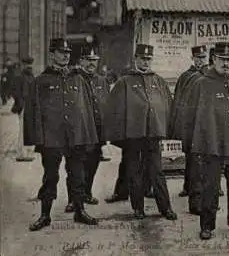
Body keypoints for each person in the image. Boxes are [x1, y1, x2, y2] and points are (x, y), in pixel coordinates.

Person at [182, 42, 229, 240]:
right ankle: (207, 225)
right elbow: (189, 116)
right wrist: (192, 144)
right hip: (211, 144)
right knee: (210, 187)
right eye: (222, 59)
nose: (226, 63)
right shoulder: (200, 83)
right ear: (213, 59)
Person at [26, 38, 99, 231]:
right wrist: (37, 139)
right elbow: (34, 112)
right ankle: (44, 215)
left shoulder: (78, 79)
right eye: (61, 52)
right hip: (52, 139)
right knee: (50, 177)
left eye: (67, 52)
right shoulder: (41, 81)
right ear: (52, 54)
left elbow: (86, 110)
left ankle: (79, 211)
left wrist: (88, 135)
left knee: (77, 175)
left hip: (74, 137)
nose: (66, 55)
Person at [104, 44, 177, 220]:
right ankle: (138, 208)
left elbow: (167, 106)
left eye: (148, 59)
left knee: (157, 171)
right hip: (133, 135)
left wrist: (164, 128)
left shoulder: (158, 81)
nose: (145, 62)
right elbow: (114, 109)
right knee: (134, 171)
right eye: (142, 59)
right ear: (135, 59)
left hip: (153, 135)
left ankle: (165, 208)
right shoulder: (124, 82)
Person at [63, 44, 110, 212]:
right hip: (79, 131)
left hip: (96, 132)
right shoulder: (73, 78)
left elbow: (106, 104)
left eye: (94, 60)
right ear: (81, 61)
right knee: (74, 166)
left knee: (92, 164)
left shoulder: (101, 80)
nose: (91, 63)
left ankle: (86, 193)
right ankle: (72, 199)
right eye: (88, 60)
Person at [173, 45, 210, 198]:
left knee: (208, 157)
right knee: (191, 157)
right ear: (192, 58)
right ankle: (188, 186)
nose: (200, 61)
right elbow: (179, 100)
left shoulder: (210, 75)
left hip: (206, 122)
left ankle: (211, 187)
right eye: (198, 58)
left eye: (203, 57)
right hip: (190, 122)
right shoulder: (185, 76)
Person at [11, 57, 36, 162]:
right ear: (23, 65)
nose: (29, 66)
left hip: (31, 106)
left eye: (30, 65)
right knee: (23, 129)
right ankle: (21, 153)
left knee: (29, 128)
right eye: (27, 64)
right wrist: (21, 104)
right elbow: (15, 92)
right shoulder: (19, 77)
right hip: (24, 106)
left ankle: (27, 151)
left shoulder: (31, 77)